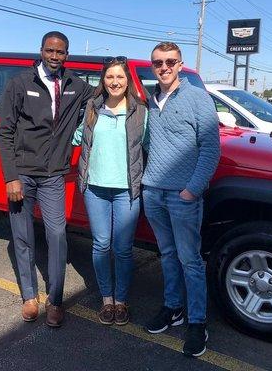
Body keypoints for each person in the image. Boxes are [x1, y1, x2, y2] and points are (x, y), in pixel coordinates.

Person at [0, 31, 93, 327]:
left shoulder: (76, 85)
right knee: (23, 237)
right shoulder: (20, 84)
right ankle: (29, 296)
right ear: (41, 51)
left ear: (67, 54)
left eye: (60, 52)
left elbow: (107, 93)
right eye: (50, 50)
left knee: (57, 235)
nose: (55, 56)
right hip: (23, 176)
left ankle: (55, 300)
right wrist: (11, 177)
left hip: (53, 177)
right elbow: (4, 133)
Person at [142, 42, 220, 357]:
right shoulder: (150, 101)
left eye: (170, 61)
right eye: (158, 63)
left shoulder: (198, 98)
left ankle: (197, 321)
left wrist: (192, 189)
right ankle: (173, 307)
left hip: (182, 195)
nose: (164, 67)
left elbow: (211, 148)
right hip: (153, 192)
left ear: (180, 63)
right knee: (167, 255)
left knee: (190, 260)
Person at [72, 56, 146, 326]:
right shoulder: (92, 107)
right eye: (110, 77)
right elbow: (78, 136)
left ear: (128, 81)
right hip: (95, 188)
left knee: (124, 249)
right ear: (103, 80)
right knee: (101, 245)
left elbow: (149, 145)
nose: (115, 82)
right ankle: (107, 299)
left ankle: (121, 299)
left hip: (127, 189)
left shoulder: (140, 112)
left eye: (120, 77)